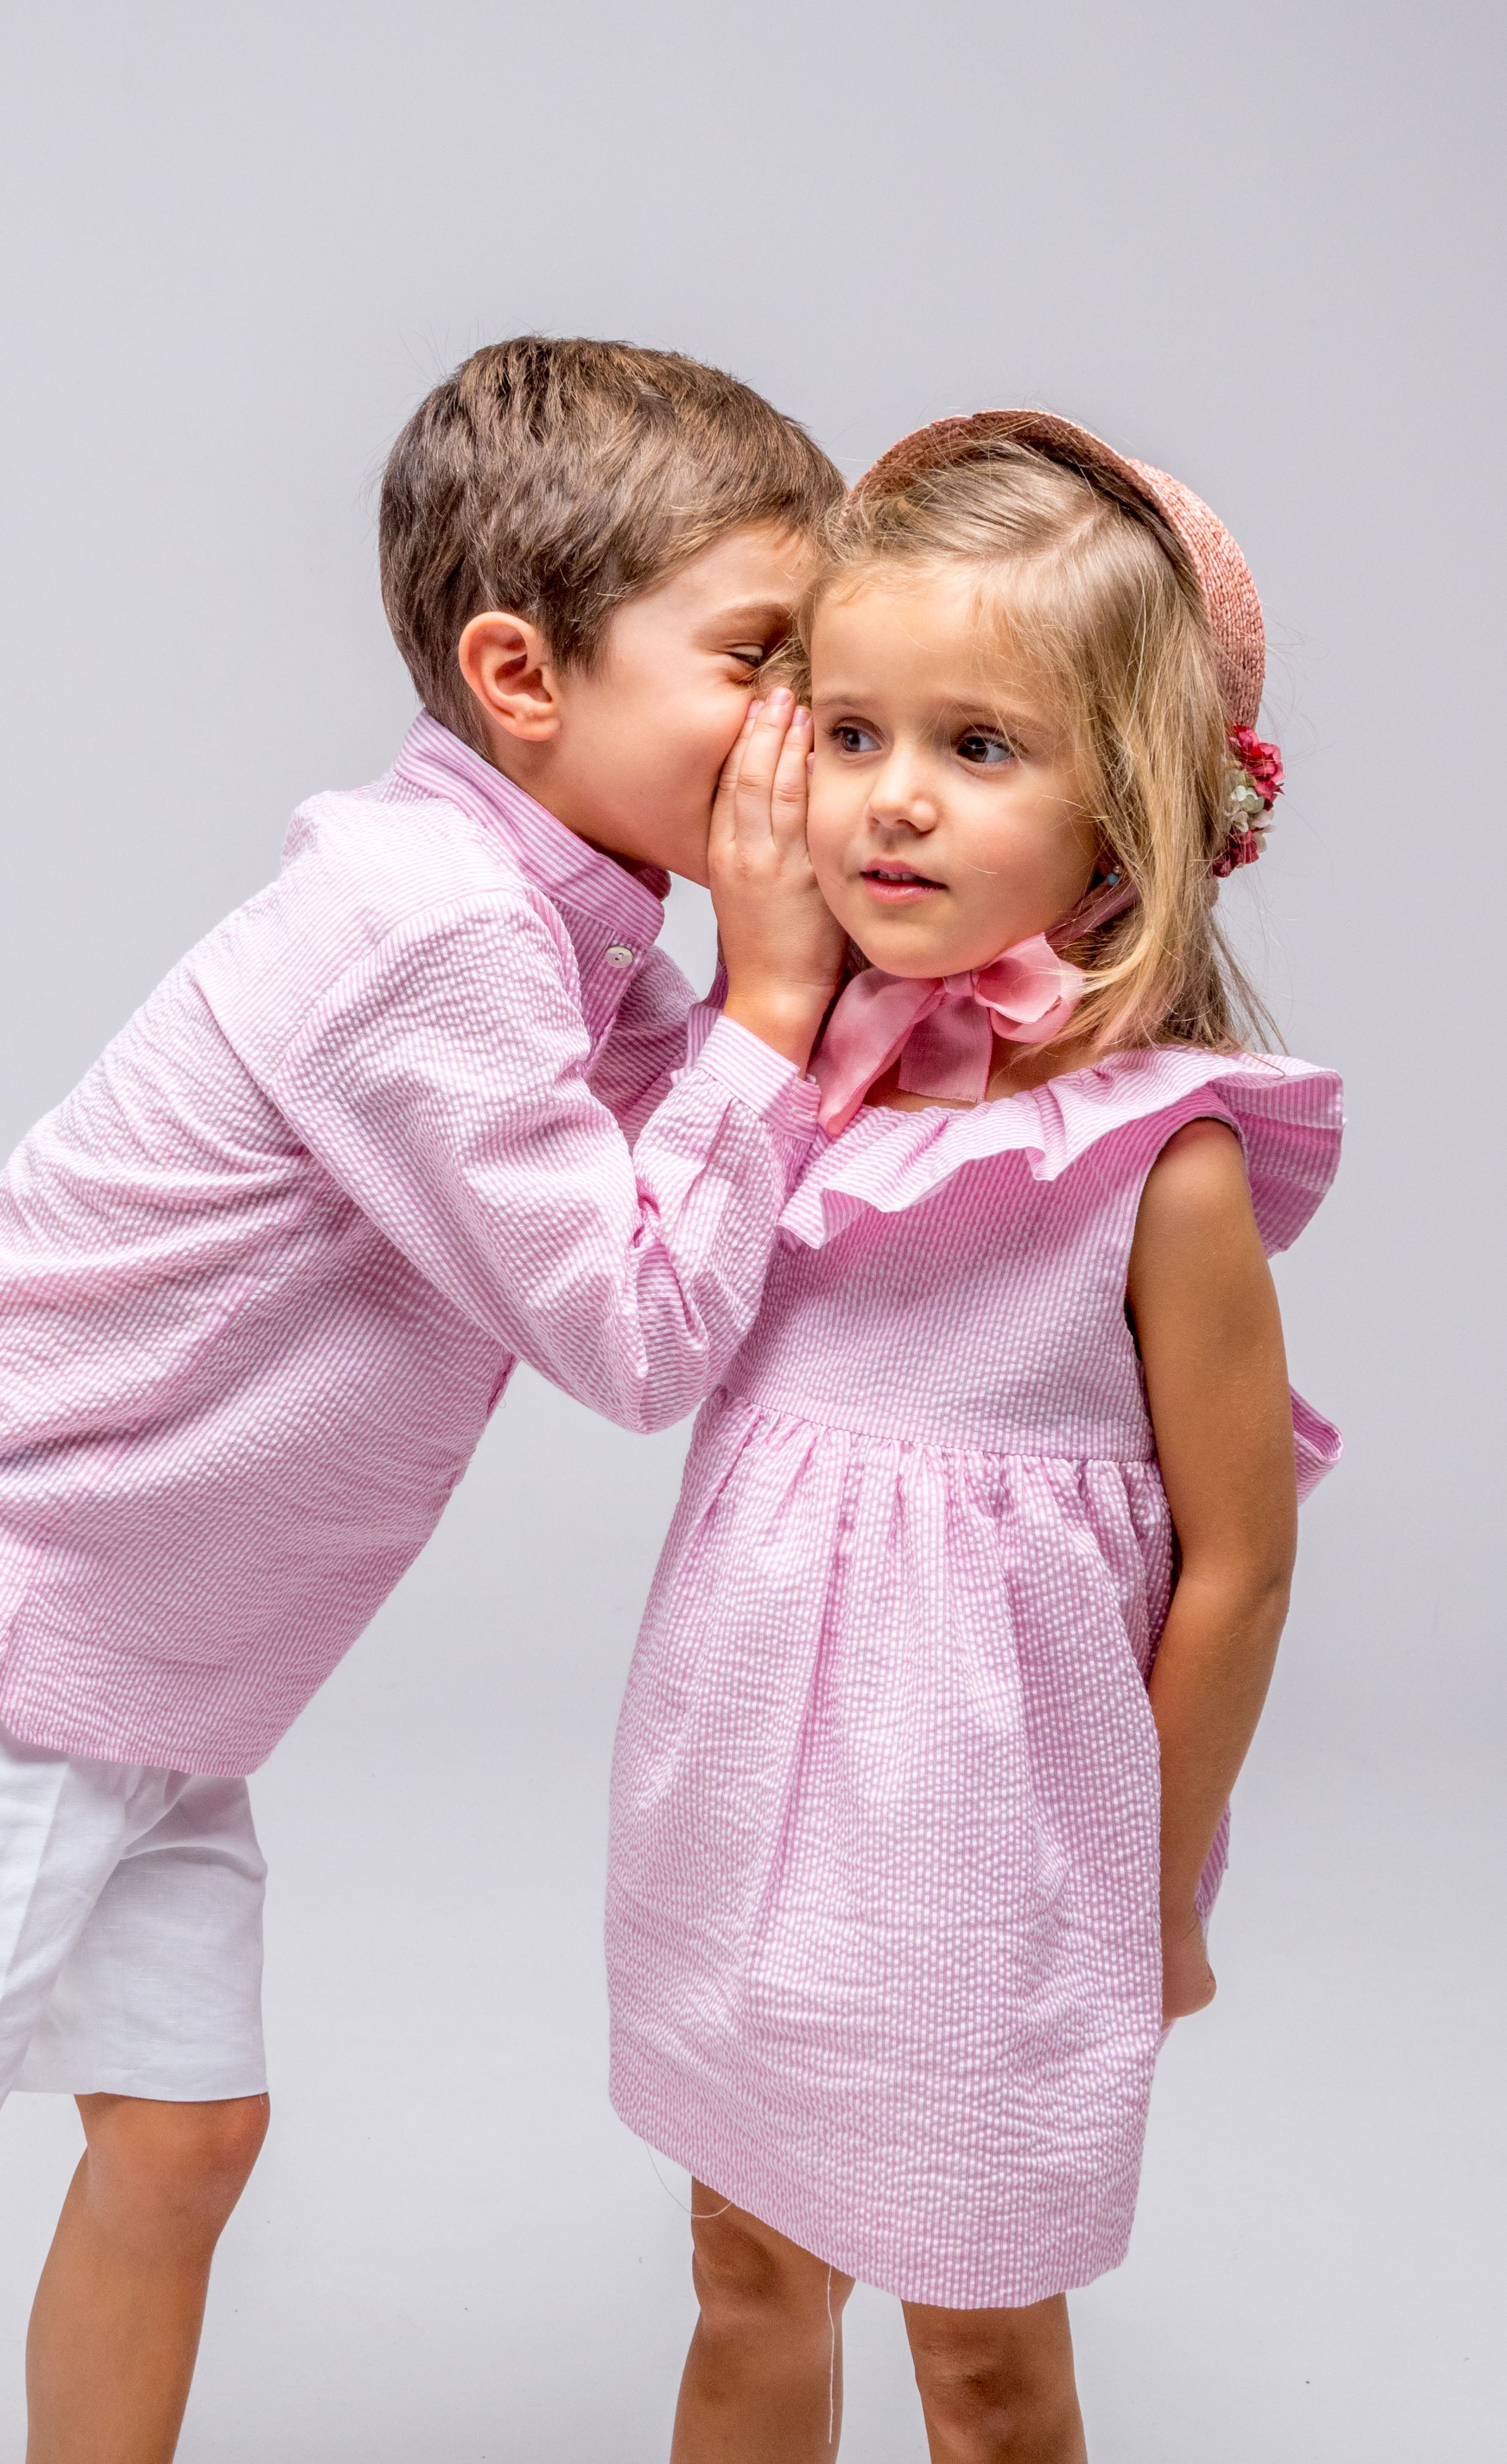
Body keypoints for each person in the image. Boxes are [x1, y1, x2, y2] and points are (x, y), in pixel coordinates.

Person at [0, 337, 849, 2462]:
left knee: (185, 2141)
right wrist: (773, 993)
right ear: (521, 672)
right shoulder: (432, 935)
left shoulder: (559, 927)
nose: (802, 732)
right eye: (760, 660)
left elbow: (737, 1152)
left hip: (132, 1680)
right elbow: (643, 1328)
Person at [605, 411, 1343, 2462]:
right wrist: (756, 1006)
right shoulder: (769, 1075)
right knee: (743, 2271)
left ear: (1131, 813)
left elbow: (1242, 1555)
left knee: (985, 2359)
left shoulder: (1150, 1164)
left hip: (994, 1858)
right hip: (737, 1797)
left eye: (978, 747)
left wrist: (1152, 1877)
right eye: (848, 732)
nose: (891, 803)